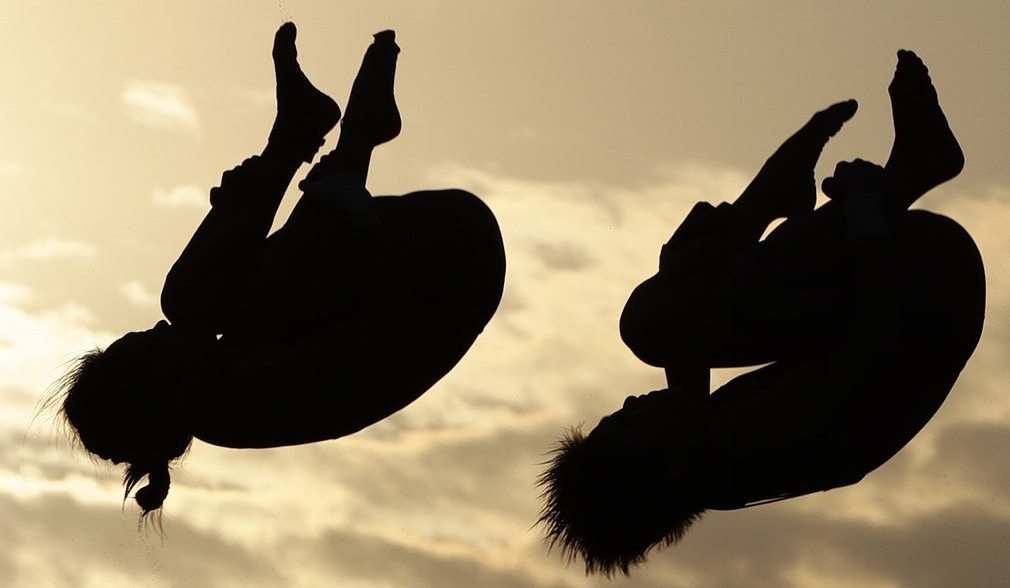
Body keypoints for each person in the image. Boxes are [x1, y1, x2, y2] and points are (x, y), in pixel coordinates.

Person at [538, 50, 984, 576]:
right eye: (625, 419)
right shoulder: (750, 448)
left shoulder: (699, 450)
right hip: (926, 287)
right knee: (747, 288)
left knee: (651, 320)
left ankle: (777, 196)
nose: (631, 400)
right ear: (659, 459)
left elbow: (684, 354)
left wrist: (687, 263)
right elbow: (883, 338)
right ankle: (911, 169)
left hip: (888, 290)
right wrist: (866, 210)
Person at [52, 23, 506, 515]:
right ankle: (332, 138)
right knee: (188, 295)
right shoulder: (236, 399)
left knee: (194, 296)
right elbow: (359, 338)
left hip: (434, 258)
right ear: (161, 382)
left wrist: (243, 223)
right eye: (152, 340)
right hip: (446, 263)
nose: (160, 328)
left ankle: (313, 136)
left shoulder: (223, 383)